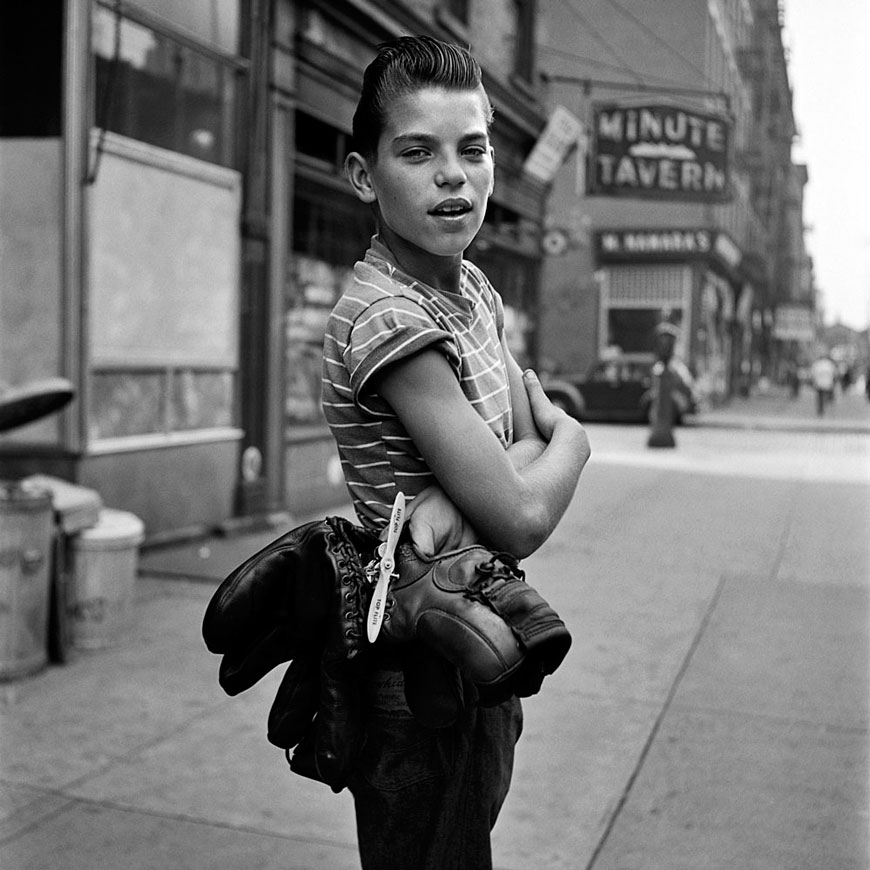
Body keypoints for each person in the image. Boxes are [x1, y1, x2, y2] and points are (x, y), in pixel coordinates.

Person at [321, 36, 590, 870]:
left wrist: (475, 485)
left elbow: (518, 437)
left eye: (472, 150)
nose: (454, 175)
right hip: (417, 673)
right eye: (418, 151)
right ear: (365, 175)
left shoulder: (468, 286)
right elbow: (521, 508)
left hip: (480, 633)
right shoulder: (389, 317)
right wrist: (575, 446)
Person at [810, 351, 837, 416]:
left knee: (820, 396)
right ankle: (822, 407)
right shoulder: (829, 364)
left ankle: (820, 408)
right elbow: (834, 373)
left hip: (819, 382)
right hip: (826, 382)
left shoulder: (817, 364)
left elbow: (813, 373)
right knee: (823, 395)